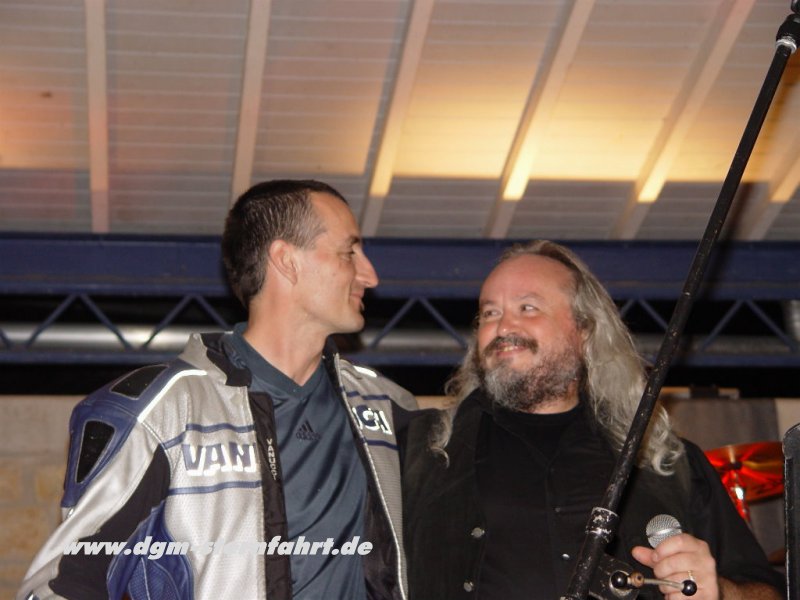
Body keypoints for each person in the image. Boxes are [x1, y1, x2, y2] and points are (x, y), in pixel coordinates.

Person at [18, 179, 416, 600]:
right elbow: (64, 584)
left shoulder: (389, 408)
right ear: (287, 260)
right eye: (349, 253)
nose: (370, 275)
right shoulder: (161, 413)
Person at [403, 240, 783, 600]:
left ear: (584, 331)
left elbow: (768, 592)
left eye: (528, 307)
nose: (503, 328)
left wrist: (718, 590)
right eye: (489, 313)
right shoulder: (418, 450)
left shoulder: (666, 466)